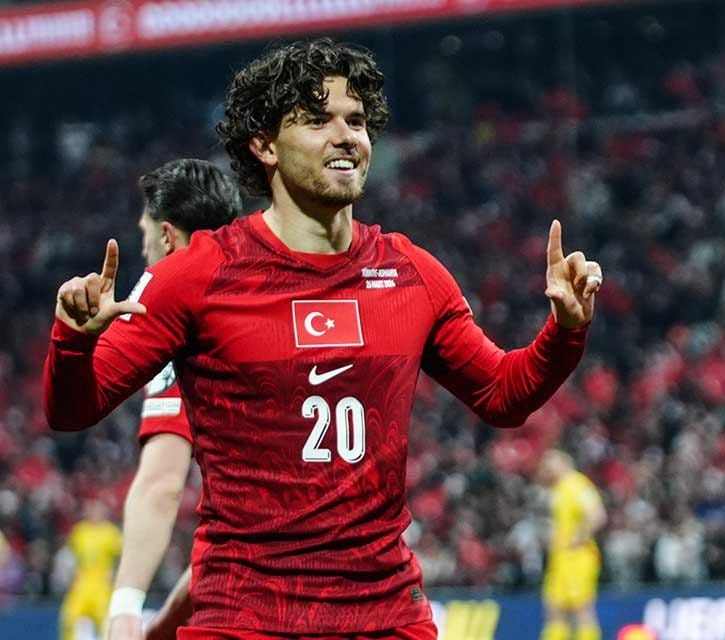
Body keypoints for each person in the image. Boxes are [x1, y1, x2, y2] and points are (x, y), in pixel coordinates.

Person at [45, 38, 600, 639]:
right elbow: (73, 409)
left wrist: (565, 332)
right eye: (317, 120)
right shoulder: (197, 276)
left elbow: (502, 395)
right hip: (247, 620)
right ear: (264, 145)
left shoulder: (410, 273)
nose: (346, 136)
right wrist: (73, 341)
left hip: (386, 616)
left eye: (355, 121)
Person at [106, 159, 242, 640]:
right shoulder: (283, 299)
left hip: (261, 610)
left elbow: (162, 484)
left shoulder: (189, 330)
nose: (144, 252)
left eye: (144, 237)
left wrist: (127, 608)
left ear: (166, 237)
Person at [537, 449, 606, 640]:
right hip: (560, 558)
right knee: (554, 608)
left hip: (578, 556)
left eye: (551, 461)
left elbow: (597, 514)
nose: (547, 466)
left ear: (564, 462)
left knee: (582, 609)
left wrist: (576, 539)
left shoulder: (577, 484)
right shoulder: (558, 489)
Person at [59, 500, 121, 640]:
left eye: (98, 511)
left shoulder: (111, 532)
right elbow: (70, 556)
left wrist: (116, 575)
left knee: (105, 620)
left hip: (102, 583)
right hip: (82, 582)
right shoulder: (80, 531)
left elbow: (120, 556)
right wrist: (70, 576)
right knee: (70, 615)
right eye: (93, 510)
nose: (95, 514)